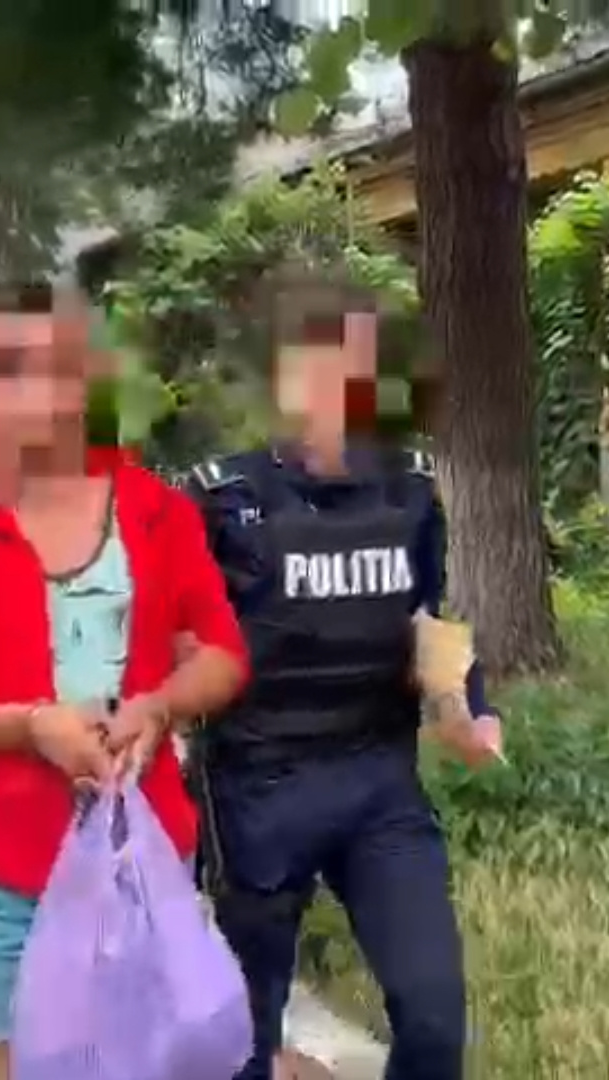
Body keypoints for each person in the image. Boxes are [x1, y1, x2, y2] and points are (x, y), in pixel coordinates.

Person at [0, 285, 250, 1080]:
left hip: (142, 877)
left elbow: (222, 654)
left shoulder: (155, 511)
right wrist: (26, 726)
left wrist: (160, 705)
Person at [181, 279, 504, 1080]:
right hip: (257, 786)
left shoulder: (410, 490)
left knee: (434, 1019)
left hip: (377, 784)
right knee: (242, 1037)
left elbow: (430, 622)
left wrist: (470, 709)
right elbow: (169, 637)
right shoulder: (221, 497)